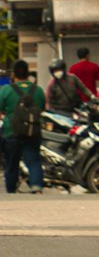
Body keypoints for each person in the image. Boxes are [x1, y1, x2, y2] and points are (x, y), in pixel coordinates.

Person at [1, 59, 45, 194]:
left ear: (14, 74)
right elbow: (42, 108)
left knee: (11, 163)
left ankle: (11, 190)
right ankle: (36, 187)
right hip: (33, 131)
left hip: (11, 132)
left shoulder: (5, 90)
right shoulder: (38, 90)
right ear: (28, 74)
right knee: (34, 160)